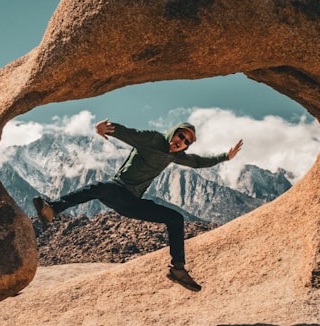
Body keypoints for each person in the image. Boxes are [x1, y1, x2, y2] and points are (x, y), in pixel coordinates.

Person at [33, 119, 243, 292]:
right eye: (181, 135)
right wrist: (105, 128)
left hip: (132, 203)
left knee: (175, 218)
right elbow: (129, 132)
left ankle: (178, 269)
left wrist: (225, 156)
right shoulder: (152, 139)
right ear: (174, 132)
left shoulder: (175, 156)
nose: (182, 141)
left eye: (187, 141)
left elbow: (197, 162)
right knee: (99, 187)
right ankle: (52, 209)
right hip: (118, 189)